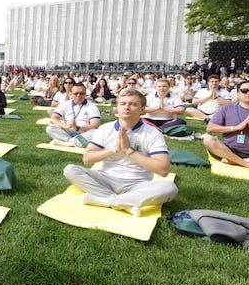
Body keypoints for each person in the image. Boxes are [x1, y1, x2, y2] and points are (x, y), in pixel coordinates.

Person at [62, 88, 178, 217]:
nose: (127, 107)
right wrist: (113, 150)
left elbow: (163, 170)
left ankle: (106, 201)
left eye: (133, 104)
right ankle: (126, 203)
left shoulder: (152, 133)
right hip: (106, 178)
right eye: (123, 104)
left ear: (142, 109)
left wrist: (129, 151)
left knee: (170, 188)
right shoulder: (105, 129)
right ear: (117, 107)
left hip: (138, 184)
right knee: (70, 170)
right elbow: (87, 158)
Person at [46, 82, 101, 147]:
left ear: (85, 94)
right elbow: (53, 118)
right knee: (50, 128)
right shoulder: (65, 104)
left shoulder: (92, 106)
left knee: (96, 132)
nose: (78, 95)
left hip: (84, 132)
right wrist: (64, 126)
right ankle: (72, 142)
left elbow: (96, 125)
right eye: (76, 93)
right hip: (68, 130)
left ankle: (67, 142)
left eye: (81, 93)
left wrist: (78, 128)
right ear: (71, 94)